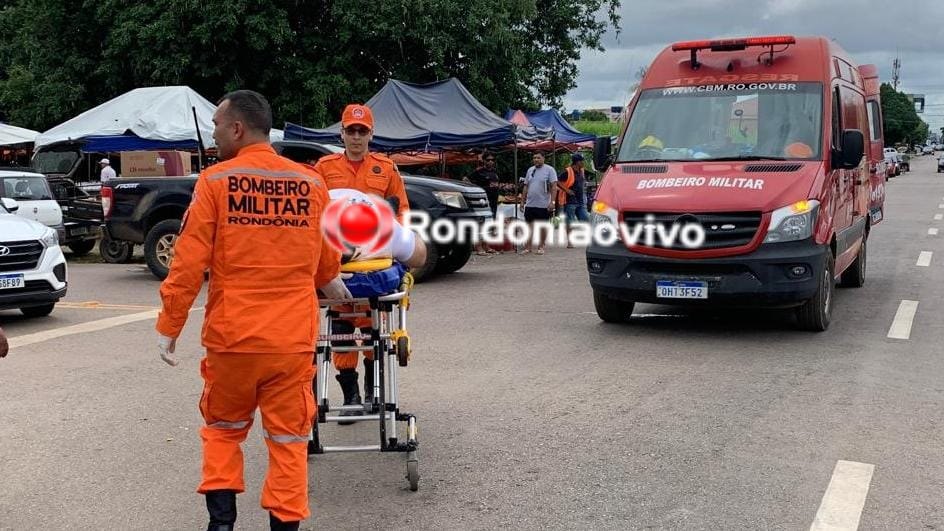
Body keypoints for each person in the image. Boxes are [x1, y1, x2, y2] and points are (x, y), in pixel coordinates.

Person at [155, 90, 349, 531]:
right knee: (288, 442)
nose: (214, 134)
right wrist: (336, 289)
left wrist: (170, 326)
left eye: (217, 126)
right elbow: (326, 264)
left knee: (223, 432)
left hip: (232, 342)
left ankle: (221, 525)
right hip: (290, 344)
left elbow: (187, 263)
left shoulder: (216, 182)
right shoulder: (312, 183)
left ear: (237, 128)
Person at [312, 104, 409, 423]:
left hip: (373, 259)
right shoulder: (324, 168)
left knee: (370, 330)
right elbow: (313, 212)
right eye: (350, 131)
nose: (356, 137)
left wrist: (396, 246)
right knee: (340, 329)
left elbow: (400, 213)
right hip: (337, 259)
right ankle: (350, 395)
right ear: (341, 133)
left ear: (371, 133)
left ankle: (371, 389)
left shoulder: (386, 168)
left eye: (362, 131)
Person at [464, 153, 501, 255]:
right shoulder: (479, 171)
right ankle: (478, 247)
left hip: (493, 202)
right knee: (481, 224)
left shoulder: (494, 172)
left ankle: (486, 246)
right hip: (482, 202)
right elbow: (465, 179)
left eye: (492, 160)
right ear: (484, 161)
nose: (490, 162)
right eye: (488, 160)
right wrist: (475, 189)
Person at [557, 153, 590, 248]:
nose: (583, 163)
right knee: (570, 221)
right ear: (577, 162)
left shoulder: (581, 171)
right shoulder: (568, 171)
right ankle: (570, 242)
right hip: (570, 201)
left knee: (586, 219)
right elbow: (557, 181)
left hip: (580, 201)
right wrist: (567, 190)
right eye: (582, 161)